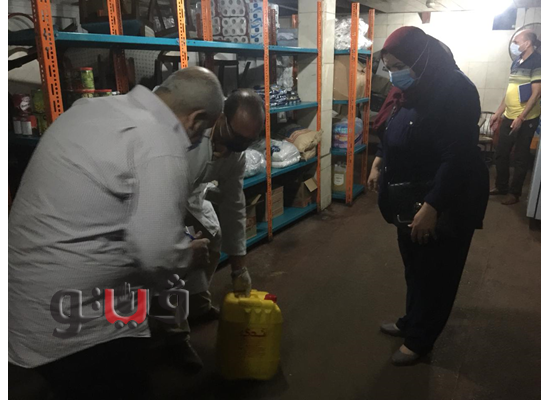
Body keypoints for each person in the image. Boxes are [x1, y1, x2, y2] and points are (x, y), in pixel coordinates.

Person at [8, 67, 225, 398]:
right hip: (76, 322)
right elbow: (156, 255)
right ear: (196, 120)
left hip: (24, 305)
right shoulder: (161, 141)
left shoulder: (90, 109)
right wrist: (188, 254)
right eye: (204, 130)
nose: (200, 140)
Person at [368, 27, 490, 366]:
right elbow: (392, 129)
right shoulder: (409, 89)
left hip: (447, 198)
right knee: (415, 267)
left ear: (419, 58)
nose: (393, 74)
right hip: (410, 196)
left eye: (398, 65)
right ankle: (411, 321)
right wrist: (379, 161)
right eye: (389, 67)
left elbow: (457, 156)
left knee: (437, 273)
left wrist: (433, 205)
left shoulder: (455, 90)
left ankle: (421, 340)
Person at [149, 89, 266, 372]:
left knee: (212, 238)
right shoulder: (187, 136)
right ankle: (175, 336)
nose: (240, 146)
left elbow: (233, 205)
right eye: (237, 137)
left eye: (247, 141)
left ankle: (197, 304)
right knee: (175, 260)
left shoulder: (236, 154)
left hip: (192, 192)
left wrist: (239, 267)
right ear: (221, 118)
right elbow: (162, 201)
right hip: (157, 195)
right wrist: (181, 245)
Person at [490, 30, 542, 206]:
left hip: (526, 119)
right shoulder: (516, 62)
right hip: (509, 115)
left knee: (520, 156)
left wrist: (521, 117)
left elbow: (536, 93)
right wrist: (498, 112)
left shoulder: (537, 62)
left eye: (517, 42)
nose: (514, 45)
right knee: (501, 153)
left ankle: (514, 193)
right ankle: (501, 186)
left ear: (527, 43)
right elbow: (510, 90)